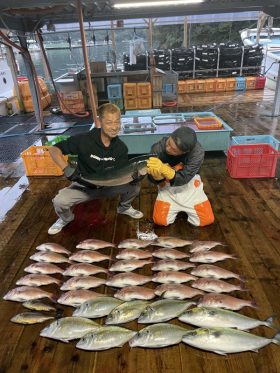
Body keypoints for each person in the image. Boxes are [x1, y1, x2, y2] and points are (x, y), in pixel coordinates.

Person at [48, 103, 143, 235]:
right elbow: (53, 149)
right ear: (99, 121)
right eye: (109, 122)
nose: (115, 127)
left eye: (117, 122)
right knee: (60, 201)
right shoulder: (84, 140)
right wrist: (66, 168)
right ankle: (66, 219)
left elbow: (121, 173)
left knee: (135, 185)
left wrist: (135, 176)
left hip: (108, 186)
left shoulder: (121, 148)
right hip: (83, 185)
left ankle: (124, 208)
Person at [147, 126, 214, 227]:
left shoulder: (197, 153)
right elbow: (150, 176)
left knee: (206, 220)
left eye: (174, 150)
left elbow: (186, 177)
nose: (167, 148)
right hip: (166, 186)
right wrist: (156, 178)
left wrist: (168, 171)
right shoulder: (157, 148)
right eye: (169, 143)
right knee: (160, 221)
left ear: (184, 152)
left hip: (190, 185)